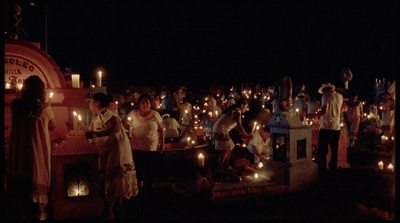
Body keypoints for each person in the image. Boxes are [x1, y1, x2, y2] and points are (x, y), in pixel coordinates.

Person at [6, 75, 56, 220]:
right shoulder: (45, 108)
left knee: (20, 201)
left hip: (20, 154)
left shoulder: (15, 106)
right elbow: (53, 126)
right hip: (37, 153)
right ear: (41, 91)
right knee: (36, 185)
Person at [86, 92, 138, 220]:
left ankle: (109, 211)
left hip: (116, 152)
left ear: (97, 103)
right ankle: (119, 208)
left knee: (114, 179)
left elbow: (114, 125)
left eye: (91, 102)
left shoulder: (106, 113)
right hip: (110, 151)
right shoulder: (97, 116)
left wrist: (96, 134)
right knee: (115, 179)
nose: (89, 105)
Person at [126, 93, 165, 193]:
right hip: (136, 148)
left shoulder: (155, 114)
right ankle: (137, 191)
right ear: (139, 104)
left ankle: (148, 191)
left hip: (150, 148)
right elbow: (126, 127)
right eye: (143, 102)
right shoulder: (132, 114)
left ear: (150, 104)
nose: (145, 104)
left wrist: (162, 144)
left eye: (147, 102)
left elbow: (161, 130)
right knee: (138, 171)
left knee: (149, 171)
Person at [212, 98, 252, 172]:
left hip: (222, 129)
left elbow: (236, 126)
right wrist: (246, 135)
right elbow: (239, 125)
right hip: (221, 130)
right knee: (226, 149)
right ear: (242, 105)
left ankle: (226, 165)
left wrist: (243, 134)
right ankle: (219, 168)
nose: (246, 109)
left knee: (230, 146)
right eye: (246, 107)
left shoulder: (235, 111)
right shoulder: (237, 111)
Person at [316, 83, 343, 177]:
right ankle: (333, 169)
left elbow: (324, 110)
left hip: (326, 127)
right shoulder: (340, 96)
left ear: (324, 90)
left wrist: (315, 115)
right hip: (336, 127)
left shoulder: (325, 96)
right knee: (334, 149)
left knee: (322, 150)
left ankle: (322, 169)